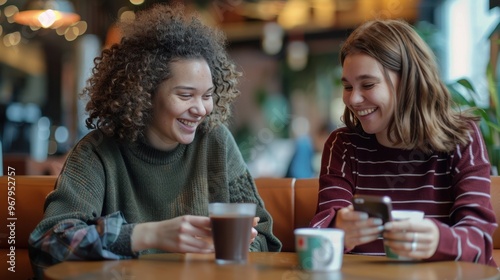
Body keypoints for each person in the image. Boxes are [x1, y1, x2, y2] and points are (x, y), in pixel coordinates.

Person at [28, 3, 282, 278]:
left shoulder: (216, 142)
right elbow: (49, 242)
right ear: (143, 94)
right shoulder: (98, 153)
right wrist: (145, 235)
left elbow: (264, 238)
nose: (201, 109)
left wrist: (225, 250)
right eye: (185, 96)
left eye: (207, 95)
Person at [310, 19, 497, 266]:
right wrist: (338, 227)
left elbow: (479, 241)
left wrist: (437, 240)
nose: (353, 99)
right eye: (347, 86)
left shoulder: (462, 137)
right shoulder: (343, 145)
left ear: (408, 81)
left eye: (368, 84)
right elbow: (320, 232)